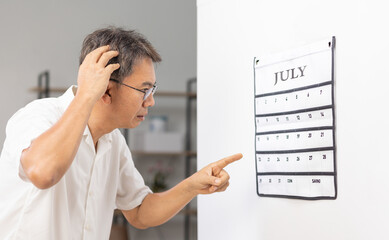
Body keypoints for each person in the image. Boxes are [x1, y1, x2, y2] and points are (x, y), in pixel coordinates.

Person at [0, 27, 242, 239]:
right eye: (144, 90)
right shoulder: (38, 116)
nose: (151, 102)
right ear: (105, 89)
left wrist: (193, 185)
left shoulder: (113, 141)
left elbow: (140, 211)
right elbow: (43, 173)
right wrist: (87, 93)